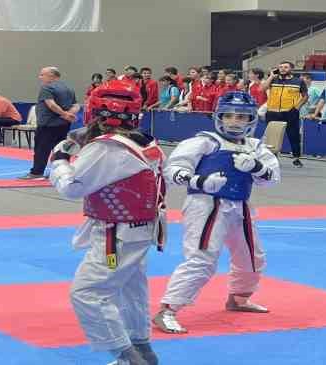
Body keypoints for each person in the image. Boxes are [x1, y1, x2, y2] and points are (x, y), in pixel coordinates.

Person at [49, 80, 166, 364]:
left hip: (117, 233)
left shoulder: (106, 148)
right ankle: (142, 351)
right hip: (139, 229)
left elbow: (72, 186)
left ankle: (128, 356)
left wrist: (60, 159)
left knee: (87, 292)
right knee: (130, 290)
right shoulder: (143, 140)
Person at [153, 91, 280, 334]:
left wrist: (257, 166)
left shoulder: (255, 147)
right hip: (207, 205)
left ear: (251, 119)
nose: (235, 121)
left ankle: (239, 298)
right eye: (229, 115)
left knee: (252, 257)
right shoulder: (204, 141)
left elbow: (271, 179)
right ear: (218, 116)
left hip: (240, 205)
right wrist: (199, 181)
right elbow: (173, 170)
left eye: (242, 117)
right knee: (201, 259)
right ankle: (167, 310)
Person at [19, 67, 78, 180]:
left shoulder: (47, 88)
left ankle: (36, 173)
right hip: (63, 124)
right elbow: (76, 105)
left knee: (41, 148)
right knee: (61, 148)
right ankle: (61, 172)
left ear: (51, 75)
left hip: (48, 124)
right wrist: (68, 114)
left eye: (42, 75)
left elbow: (51, 104)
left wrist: (64, 114)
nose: (40, 77)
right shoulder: (69, 88)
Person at [261, 61, 308, 167]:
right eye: (281, 67)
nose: (282, 69)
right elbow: (262, 89)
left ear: (291, 69)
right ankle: (273, 158)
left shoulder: (298, 81)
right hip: (272, 112)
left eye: (286, 67)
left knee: (293, 136)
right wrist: (271, 76)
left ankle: (296, 158)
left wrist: (297, 108)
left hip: (290, 112)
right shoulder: (273, 80)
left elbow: (305, 96)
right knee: (272, 136)